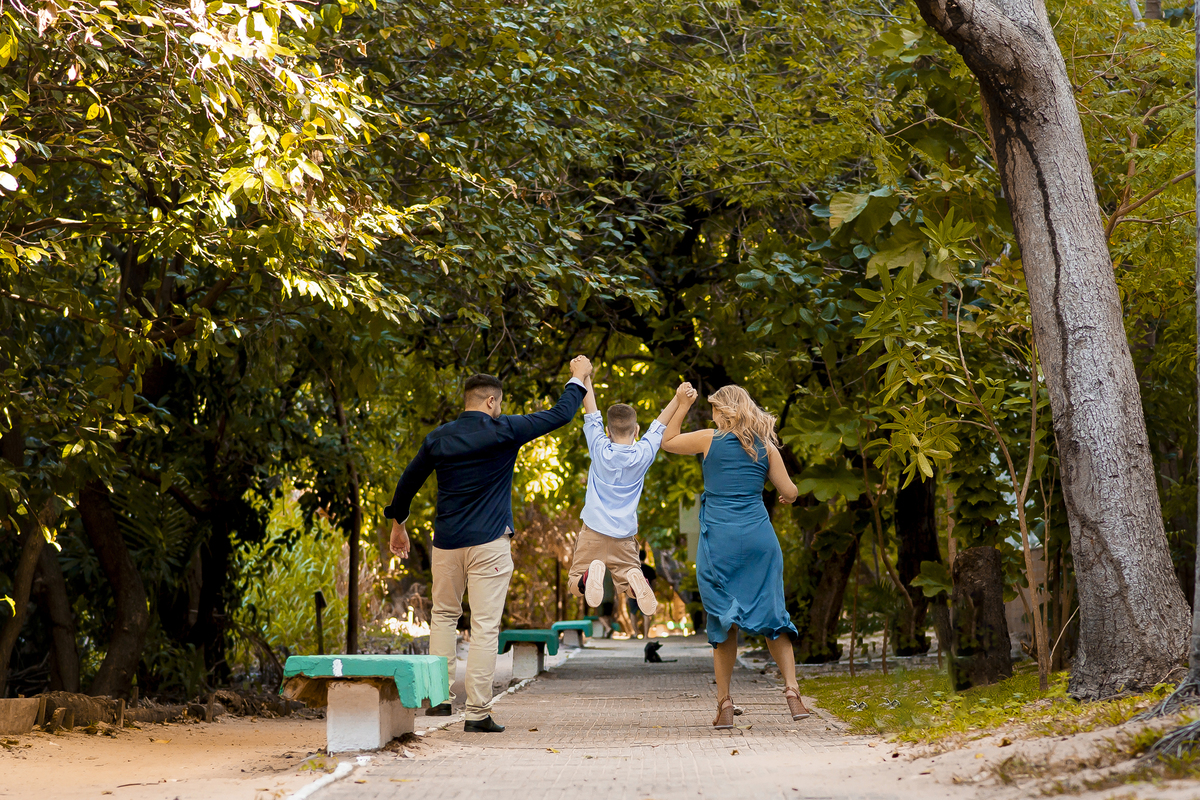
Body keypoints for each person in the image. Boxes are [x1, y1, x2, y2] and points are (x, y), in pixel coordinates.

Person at [385, 357, 592, 733]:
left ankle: (439, 700)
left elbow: (408, 482)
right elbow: (560, 415)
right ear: (492, 401)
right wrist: (577, 378)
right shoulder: (505, 430)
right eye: (499, 403)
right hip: (489, 544)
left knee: (443, 617)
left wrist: (399, 524)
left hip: (447, 544)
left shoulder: (439, 437)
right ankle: (477, 713)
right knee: (483, 626)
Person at [660, 383, 812, 729]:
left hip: (719, 542)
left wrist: (682, 404)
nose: (713, 415)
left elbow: (667, 440)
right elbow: (790, 490)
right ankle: (792, 691)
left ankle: (725, 703)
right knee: (774, 615)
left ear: (724, 410)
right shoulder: (766, 447)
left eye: (714, 408)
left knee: (723, 621)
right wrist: (788, 496)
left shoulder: (708, 440)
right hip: (760, 541)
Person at [566, 379, 695, 625]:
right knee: (628, 582)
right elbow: (659, 426)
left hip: (592, 532)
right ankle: (637, 579)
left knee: (574, 582)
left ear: (607, 431)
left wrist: (585, 376)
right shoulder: (643, 454)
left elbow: (591, 412)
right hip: (624, 537)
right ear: (636, 431)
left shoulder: (599, 448)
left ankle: (587, 577)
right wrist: (679, 399)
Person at [625, 549, 657, 639]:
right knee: (646, 614)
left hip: (634, 593)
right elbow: (654, 583)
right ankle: (646, 635)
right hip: (646, 593)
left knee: (633, 613)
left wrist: (627, 596)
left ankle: (636, 633)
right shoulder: (650, 569)